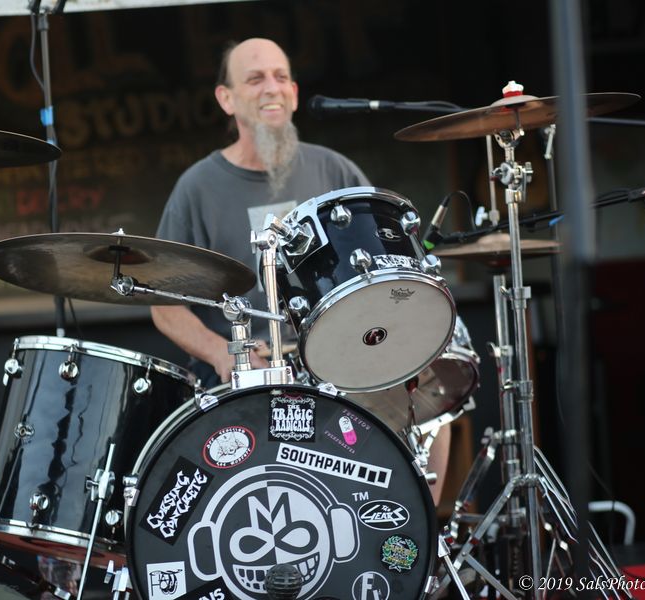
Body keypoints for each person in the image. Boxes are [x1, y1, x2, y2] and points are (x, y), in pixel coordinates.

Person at [150, 37, 450, 506]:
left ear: (293, 92)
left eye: (281, 77)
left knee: (429, 399)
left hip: (338, 361)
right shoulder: (197, 188)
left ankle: (419, 541)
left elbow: (382, 271)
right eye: (255, 79)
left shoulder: (334, 170)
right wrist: (222, 353)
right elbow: (164, 306)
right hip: (246, 376)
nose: (272, 88)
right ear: (226, 99)